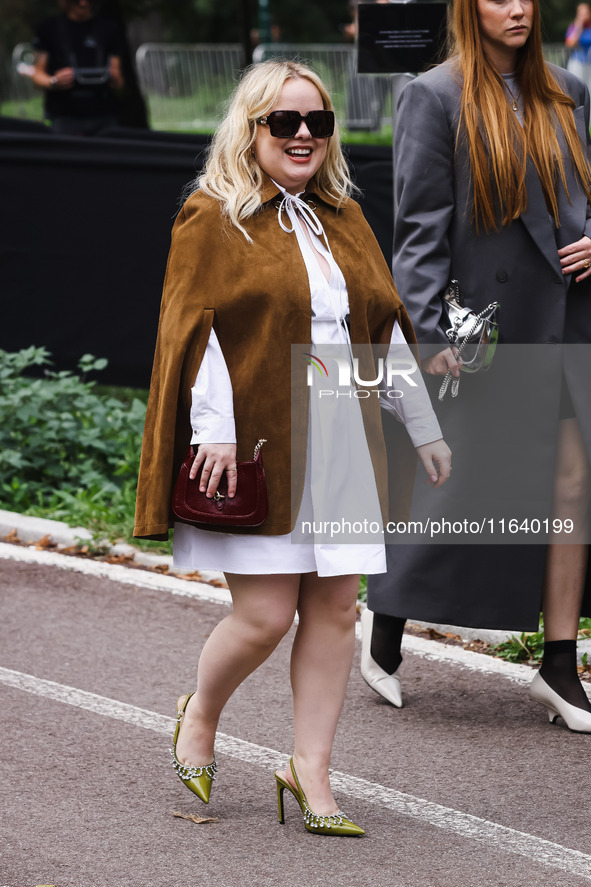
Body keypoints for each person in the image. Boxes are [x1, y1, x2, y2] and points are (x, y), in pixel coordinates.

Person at [133, 59, 450, 835]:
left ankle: (309, 768)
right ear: (252, 130)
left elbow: (380, 329)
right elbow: (192, 332)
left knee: (337, 605)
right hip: (261, 435)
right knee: (267, 615)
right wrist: (214, 430)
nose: (303, 134)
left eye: (317, 121)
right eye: (284, 122)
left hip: (345, 430)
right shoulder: (211, 216)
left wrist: (424, 424)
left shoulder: (343, 216)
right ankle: (199, 710)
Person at [363, 0, 591, 731]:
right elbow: (418, 230)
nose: (518, 7)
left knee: (571, 480)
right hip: (482, 329)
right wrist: (426, 333)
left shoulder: (568, 90)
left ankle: (559, 663)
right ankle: (386, 625)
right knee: (454, 484)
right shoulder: (432, 96)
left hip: (570, 317)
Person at [32, 0, 123, 136]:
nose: (82, 3)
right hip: (63, 115)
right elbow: (37, 74)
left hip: (103, 115)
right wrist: (54, 81)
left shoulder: (108, 27)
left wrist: (114, 78)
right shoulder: (49, 27)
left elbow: (119, 80)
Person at [566, 3, 591, 91]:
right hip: (577, 63)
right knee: (576, 88)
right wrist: (578, 28)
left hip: (589, 64)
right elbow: (570, 44)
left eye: (586, 13)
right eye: (581, 14)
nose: (584, 16)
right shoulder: (574, 27)